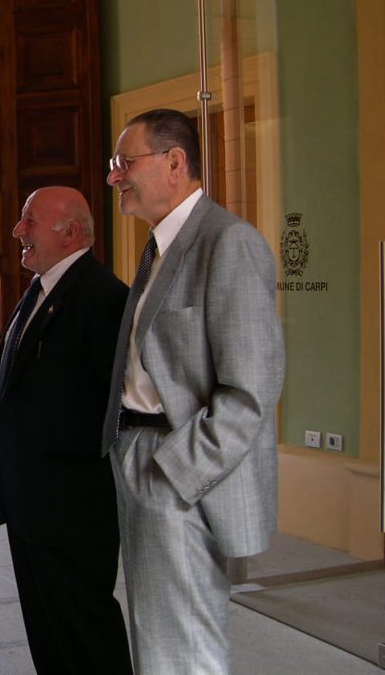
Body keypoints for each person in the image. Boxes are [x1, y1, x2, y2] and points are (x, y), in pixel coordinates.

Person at [100, 109, 285, 675]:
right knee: (157, 635)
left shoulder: (228, 242)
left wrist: (176, 473)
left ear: (175, 162)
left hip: (174, 468)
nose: (114, 176)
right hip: (138, 454)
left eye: (125, 162)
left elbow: (251, 392)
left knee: (184, 648)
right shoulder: (160, 247)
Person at [0, 187, 132, 675]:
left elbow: (113, 407)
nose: (17, 230)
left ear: (70, 233)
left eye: (30, 221)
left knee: (84, 630)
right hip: (33, 502)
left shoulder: (102, 298)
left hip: (70, 508)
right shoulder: (42, 288)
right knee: (49, 631)